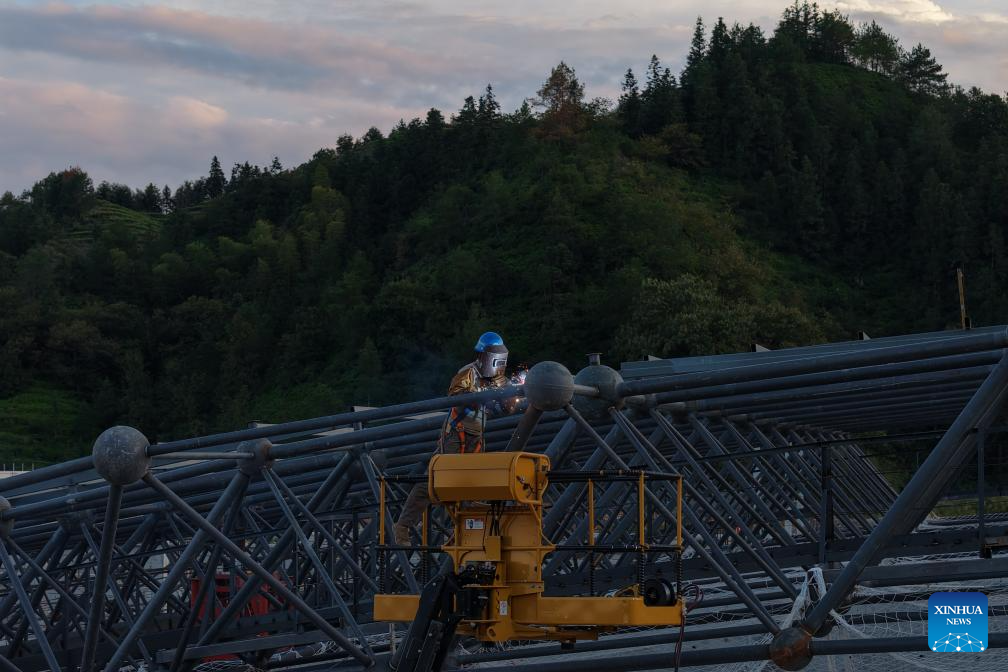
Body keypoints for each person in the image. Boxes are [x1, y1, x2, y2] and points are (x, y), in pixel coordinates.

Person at [393, 331, 517, 546]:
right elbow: (455, 398)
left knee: (472, 483)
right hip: (456, 433)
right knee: (436, 479)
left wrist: (507, 400)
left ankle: (464, 532)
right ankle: (403, 527)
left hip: (477, 437)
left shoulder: (499, 380)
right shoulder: (468, 372)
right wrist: (480, 398)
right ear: (483, 355)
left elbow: (508, 408)